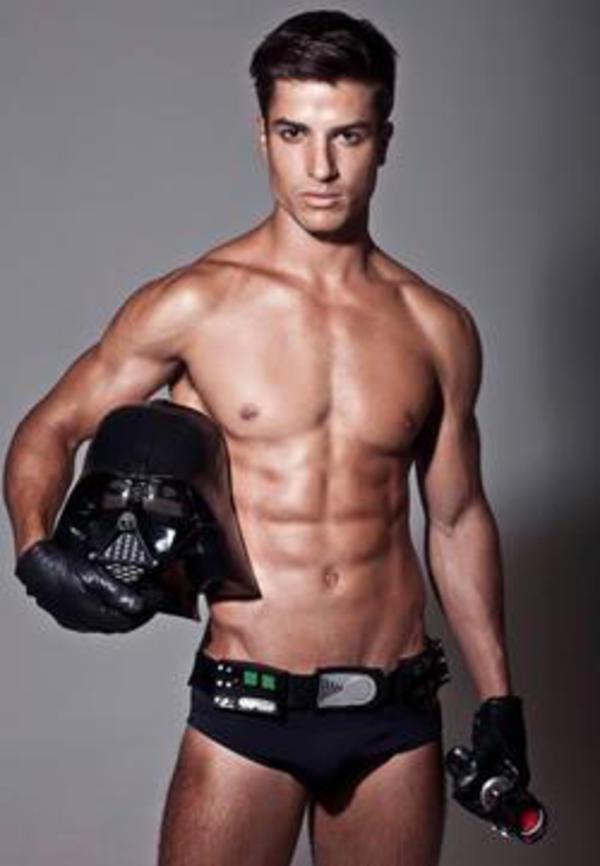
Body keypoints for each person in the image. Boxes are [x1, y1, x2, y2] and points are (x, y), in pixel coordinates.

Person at [3, 10, 537, 866]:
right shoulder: (194, 304)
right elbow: (50, 428)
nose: (320, 168)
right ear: (263, 136)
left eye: (347, 135)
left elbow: (457, 517)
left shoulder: (437, 328)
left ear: (384, 140)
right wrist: (36, 552)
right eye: (294, 133)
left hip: (396, 715)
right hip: (246, 709)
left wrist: (500, 700)